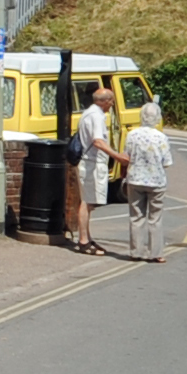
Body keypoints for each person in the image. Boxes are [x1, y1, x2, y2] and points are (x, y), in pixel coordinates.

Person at [120, 99, 173, 263]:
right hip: (156, 181)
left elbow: (126, 157)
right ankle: (155, 253)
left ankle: (136, 251)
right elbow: (167, 163)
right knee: (155, 218)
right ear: (157, 117)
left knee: (136, 217)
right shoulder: (161, 137)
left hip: (135, 179)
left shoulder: (132, 135)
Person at [72, 79, 114, 255]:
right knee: (87, 202)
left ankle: (87, 238)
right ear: (104, 102)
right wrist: (117, 156)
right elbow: (98, 141)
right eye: (111, 101)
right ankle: (83, 241)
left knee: (88, 202)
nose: (112, 104)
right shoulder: (96, 116)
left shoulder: (90, 113)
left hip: (89, 162)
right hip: (91, 164)